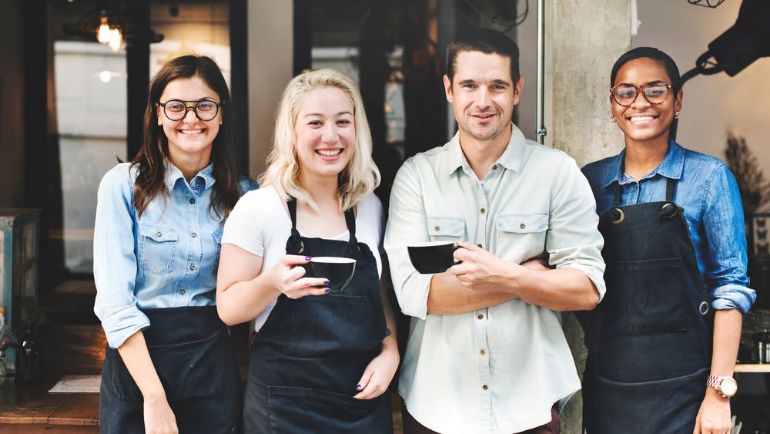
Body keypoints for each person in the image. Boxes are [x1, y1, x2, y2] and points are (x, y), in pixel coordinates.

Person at [384, 28, 606, 434]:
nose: (483, 101)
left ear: (518, 90)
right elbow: (414, 293)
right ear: (449, 89)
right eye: (469, 85)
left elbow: (586, 289)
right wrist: (529, 277)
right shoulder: (416, 177)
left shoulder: (557, 173)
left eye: (497, 86)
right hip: (437, 405)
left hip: (529, 406)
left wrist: (503, 275)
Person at [580, 47, 755, 434]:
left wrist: (718, 395)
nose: (639, 102)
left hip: (688, 389)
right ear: (613, 105)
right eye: (625, 92)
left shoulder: (709, 178)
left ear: (677, 100)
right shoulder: (590, 183)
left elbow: (730, 289)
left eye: (655, 90)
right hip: (609, 387)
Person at [216, 68, 399, 433]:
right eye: (315, 123)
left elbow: (377, 293)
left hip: (359, 403)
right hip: (283, 408)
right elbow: (228, 309)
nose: (330, 136)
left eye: (342, 122)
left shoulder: (369, 206)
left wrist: (390, 351)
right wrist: (272, 282)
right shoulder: (260, 208)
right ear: (293, 132)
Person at [93, 55, 256, 434]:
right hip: (137, 375)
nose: (191, 118)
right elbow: (115, 303)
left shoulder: (247, 196)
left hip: (213, 372)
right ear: (159, 115)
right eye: (176, 106)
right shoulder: (121, 187)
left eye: (204, 106)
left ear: (221, 114)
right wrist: (154, 396)